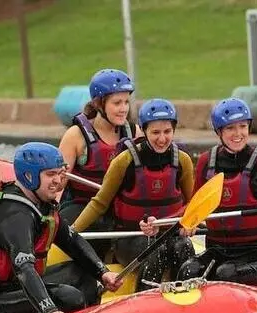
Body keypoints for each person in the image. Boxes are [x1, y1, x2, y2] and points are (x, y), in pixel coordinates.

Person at [0, 142, 123, 313]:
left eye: (59, 174)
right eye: (50, 174)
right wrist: (49, 311)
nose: (58, 181)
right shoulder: (14, 215)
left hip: (12, 285)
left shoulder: (41, 203)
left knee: (85, 275)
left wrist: (103, 272)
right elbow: (24, 268)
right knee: (70, 298)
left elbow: (71, 240)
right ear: (29, 176)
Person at [71, 99, 196, 291]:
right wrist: (71, 232)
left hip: (169, 234)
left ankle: (187, 298)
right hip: (129, 237)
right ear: (144, 131)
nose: (162, 139)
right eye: (155, 132)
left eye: (167, 132)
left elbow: (192, 202)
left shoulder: (182, 160)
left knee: (184, 246)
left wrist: (191, 222)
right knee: (156, 252)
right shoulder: (124, 160)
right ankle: (144, 300)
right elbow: (99, 203)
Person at [178, 97, 257, 285]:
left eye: (243, 126)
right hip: (218, 251)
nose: (238, 133)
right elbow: (194, 206)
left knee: (226, 273)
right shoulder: (206, 162)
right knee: (188, 270)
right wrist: (182, 221)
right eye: (230, 128)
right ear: (219, 131)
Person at [58, 69, 139, 255]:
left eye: (126, 102)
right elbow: (56, 184)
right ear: (98, 103)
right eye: (117, 103)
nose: (124, 108)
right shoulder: (75, 135)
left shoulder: (136, 133)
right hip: (82, 207)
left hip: (119, 209)